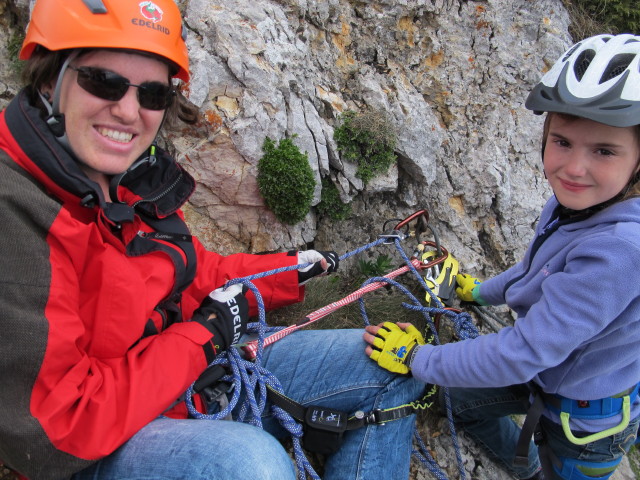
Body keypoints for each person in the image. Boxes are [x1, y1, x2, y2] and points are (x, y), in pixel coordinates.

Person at [0, 1, 423, 479]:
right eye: (104, 81)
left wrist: (288, 271)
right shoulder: (17, 210)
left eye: (153, 95)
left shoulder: (127, 181)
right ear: (49, 79)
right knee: (249, 465)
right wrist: (204, 336)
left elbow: (195, 273)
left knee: (391, 365)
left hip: (193, 385)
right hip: (97, 445)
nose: (128, 110)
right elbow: (57, 427)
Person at [364, 33, 640, 480]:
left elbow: (522, 352)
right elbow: (537, 269)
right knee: (454, 401)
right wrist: (480, 291)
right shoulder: (576, 205)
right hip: (548, 372)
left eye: (604, 151)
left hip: (585, 425)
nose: (573, 167)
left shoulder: (621, 250)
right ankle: (528, 469)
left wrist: (418, 358)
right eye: (563, 141)